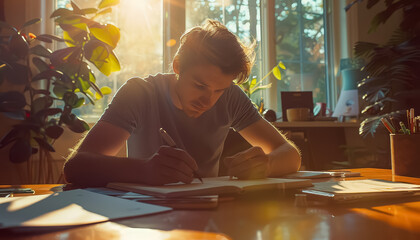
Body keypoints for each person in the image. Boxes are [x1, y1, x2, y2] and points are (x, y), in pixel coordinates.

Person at [63, 19, 301, 187]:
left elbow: (291, 155)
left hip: (211, 213)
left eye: (219, 89)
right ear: (177, 66)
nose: (209, 100)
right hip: (145, 216)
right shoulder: (140, 93)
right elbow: (76, 167)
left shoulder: (230, 97)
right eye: (200, 86)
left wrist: (266, 165)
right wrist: (144, 170)